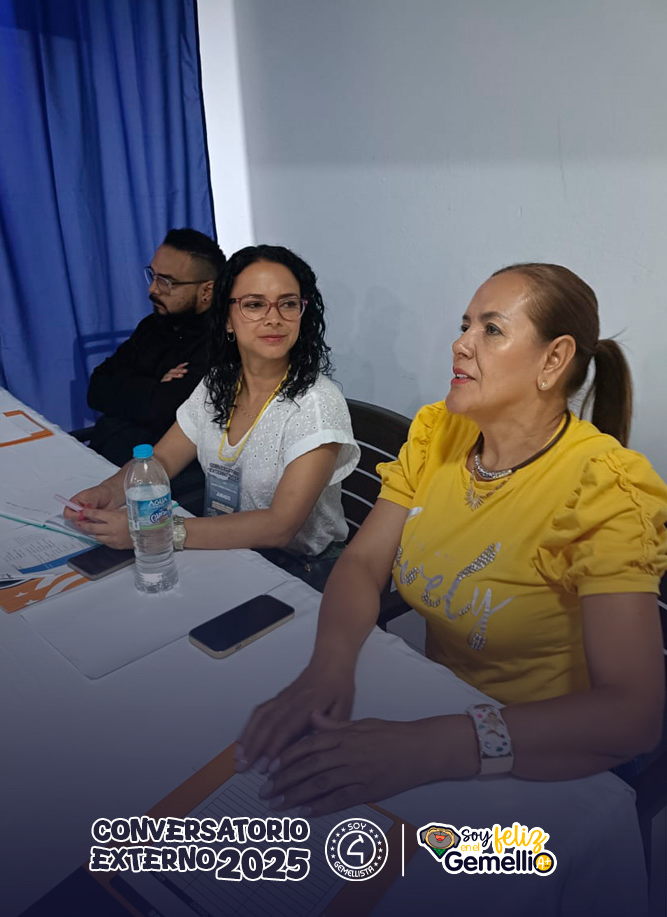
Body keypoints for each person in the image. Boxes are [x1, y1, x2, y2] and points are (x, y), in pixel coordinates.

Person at [237, 262, 667, 817]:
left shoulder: (604, 487)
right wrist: (329, 669)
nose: (460, 344)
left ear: (553, 359)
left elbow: (632, 716)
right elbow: (364, 564)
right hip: (440, 704)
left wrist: (429, 746)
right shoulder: (440, 431)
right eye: (465, 325)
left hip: (543, 749)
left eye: (492, 329)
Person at [66, 245, 360, 576]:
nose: (274, 318)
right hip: (230, 550)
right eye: (254, 304)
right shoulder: (219, 381)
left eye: (288, 304)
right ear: (228, 320)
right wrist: (107, 492)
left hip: (301, 569)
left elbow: (280, 527)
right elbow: (162, 459)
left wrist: (155, 531)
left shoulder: (317, 403)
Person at [87, 228, 226, 467]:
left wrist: (136, 387)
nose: (152, 289)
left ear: (206, 291)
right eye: (153, 275)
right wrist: (154, 385)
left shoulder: (219, 341)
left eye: (166, 281)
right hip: (102, 452)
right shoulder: (152, 325)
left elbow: (163, 411)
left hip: (157, 472)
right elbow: (96, 387)